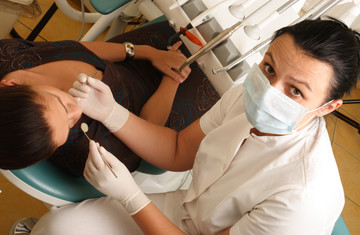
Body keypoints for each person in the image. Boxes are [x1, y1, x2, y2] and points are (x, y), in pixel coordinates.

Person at [27, 18, 359, 235]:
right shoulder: (244, 96)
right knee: (60, 228)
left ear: (328, 107)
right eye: (269, 68)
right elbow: (178, 150)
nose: (270, 91)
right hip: (187, 211)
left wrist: (131, 196)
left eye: (296, 91)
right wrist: (112, 113)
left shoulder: (301, 195)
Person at [0, 21, 220, 176]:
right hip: (166, 101)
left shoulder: (8, 57)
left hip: (133, 58)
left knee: (196, 21)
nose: (76, 112)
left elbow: (75, 49)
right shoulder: (87, 149)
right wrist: (174, 76)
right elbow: (149, 129)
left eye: (61, 102)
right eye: (69, 125)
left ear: (12, 84)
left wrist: (145, 52)